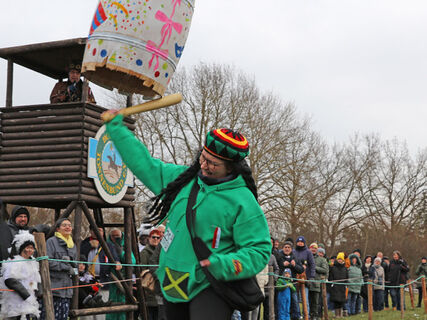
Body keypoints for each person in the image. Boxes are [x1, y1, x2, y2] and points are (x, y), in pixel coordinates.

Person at [103, 113, 271, 320]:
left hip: (210, 284)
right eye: (203, 158)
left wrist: (224, 264)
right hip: (172, 283)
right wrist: (116, 129)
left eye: (213, 163)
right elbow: (144, 164)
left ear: (231, 167)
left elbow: (259, 250)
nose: (204, 165)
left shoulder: (243, 201)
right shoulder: (181, 180)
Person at [80, 226, 122, 319]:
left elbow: (115, 258)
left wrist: (117, 262)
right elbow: (79, 256)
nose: (96, 232)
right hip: (87, 282)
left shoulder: (108, 245)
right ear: (90, 231)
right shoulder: (84, 243)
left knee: (102, 310)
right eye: (94, 230)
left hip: (103, 280)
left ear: (103, 232)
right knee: (87, 311)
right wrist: (89, 246)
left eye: (99, 230)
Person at [42, 218, 77, 320]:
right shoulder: (51, 242)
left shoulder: (73, 245)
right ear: (57, 229)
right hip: (54, 288)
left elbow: (75, 265)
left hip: (67, 291)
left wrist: (76, 269)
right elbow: (46, 262)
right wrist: (65, 266)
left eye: (69, 225)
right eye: (64, 225)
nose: (68, 227)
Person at [0, 232, 41, 319]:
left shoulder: (33, 262)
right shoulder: (15, 261)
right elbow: (9, 279)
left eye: (32, 248)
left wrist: (38, 293)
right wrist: (25, 295)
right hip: (16, 302)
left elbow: (36, 279)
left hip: (30, 301)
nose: (30, 250)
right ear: (22, 249)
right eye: (27, 247)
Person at [276, 240, 304, 320]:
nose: (287, 249)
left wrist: (294, 265)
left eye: (289, 247)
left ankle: (296, 317)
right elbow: (276, 267)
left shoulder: (295, 257)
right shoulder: (279, 256)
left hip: (292, 284)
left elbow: (301, 270)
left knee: (294, 301)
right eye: (285, 247)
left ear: (291, 249)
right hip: (281, 283)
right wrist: (282, 265)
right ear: (283, 248)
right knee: (282, 303)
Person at [140, 228, 162, 320]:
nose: (156, 239)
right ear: (149, 238)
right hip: (149, 287)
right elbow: (142, 271)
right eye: (153, 237)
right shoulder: (145, 252)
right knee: (150, 315)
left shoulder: (161, 251)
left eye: (158, 237)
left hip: (159, 287)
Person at [293, 236, 315, 318]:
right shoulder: (293, 251)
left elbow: (312, 264)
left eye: (301, 242)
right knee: (296, 299)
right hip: (295, 278)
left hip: (305, 278)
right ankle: (298, 315)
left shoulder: (308, 252)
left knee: (305, 299)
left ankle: (306, 315)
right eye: (298, 242)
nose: (300, 243)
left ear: (304, 243)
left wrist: (312, 276)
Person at [308, 243, 328, 320]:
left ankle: (315, 316)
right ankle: (308, 315)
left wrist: (314, 267)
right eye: (312, 248)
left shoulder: (322, 259)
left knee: (316, 301)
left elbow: (325, 270)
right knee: (307, 300)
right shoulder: (307, 257)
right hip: (306, 282)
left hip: (316, 283)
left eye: (315, 248)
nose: (313, 249)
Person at [328, 252, 348, 318]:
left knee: (342, 301)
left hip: (342, 287)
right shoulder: (333, 268)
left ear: (343, 260)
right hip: (335, 286)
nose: (340, 260)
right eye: (339, 259)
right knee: (336, 301)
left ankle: (341, 314)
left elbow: (346, 277)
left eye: (341, 259)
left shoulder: (345, 269)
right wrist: (332, 284)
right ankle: (337, 315)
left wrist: (346, 284)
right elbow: (330, 277)